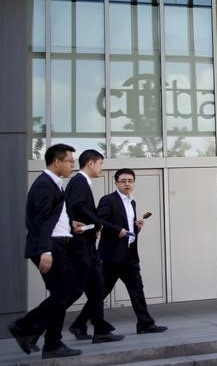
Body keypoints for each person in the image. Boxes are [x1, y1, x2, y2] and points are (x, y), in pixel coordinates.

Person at [7, 144, 83, 359]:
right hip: (50, 246)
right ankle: (45, 340)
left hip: (56, 243)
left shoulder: (54, 184)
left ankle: (30, 331)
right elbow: (39, 221)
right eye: (70, 161)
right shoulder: (44, 185)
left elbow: (51, 216)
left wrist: (71, 225)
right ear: (57, 162)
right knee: (63, 293)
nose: (73, 165)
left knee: (68, 292)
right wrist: (45, 251)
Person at [72, 168, 167, 335]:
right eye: (123, 181)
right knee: (100, 293)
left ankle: (145, 323)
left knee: (137, 289)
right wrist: (118, 230)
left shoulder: (132, 202)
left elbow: (127, 228)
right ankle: (79, 324)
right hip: (111, 256)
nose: (127, 184)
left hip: (129, 254)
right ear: (116, 183)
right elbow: (100, 221)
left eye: (130, 181)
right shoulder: (108, 200)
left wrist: (137, 228)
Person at [65, 149, 124, 343]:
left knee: (97, 287)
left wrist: (93, 225)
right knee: (72, 290)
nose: (101, 169)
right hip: (82, 246)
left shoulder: (80, 182)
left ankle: (98, 330)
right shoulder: (80, 182)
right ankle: (32, 326)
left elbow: (77, 210)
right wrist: (98, 222)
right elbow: (77, 206)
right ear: (90, 163)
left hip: (86, 244)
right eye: (100, 164)